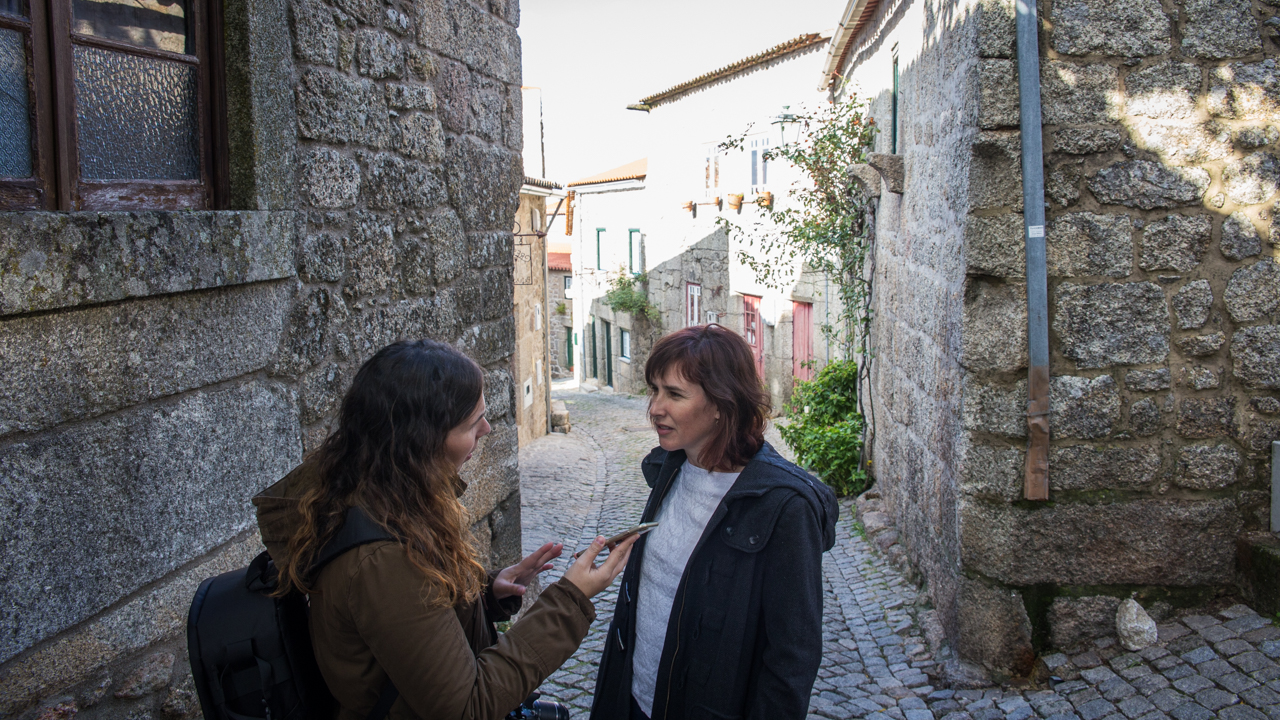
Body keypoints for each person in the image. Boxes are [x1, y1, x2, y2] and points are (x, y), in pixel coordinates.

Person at [253, 339, 636, 720]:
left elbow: (409, 624)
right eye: (472, 423)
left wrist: (486, 593)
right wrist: (570, 599)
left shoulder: (385, 499)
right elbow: (467, 706)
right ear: (421, 442)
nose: (486, 429)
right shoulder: (382, 558)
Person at [590, 324, 839, 720]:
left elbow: (792, 657)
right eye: (654, 389)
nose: (655, 407)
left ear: (723, 404)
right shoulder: (668, 468)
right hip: (634, 699)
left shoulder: (784, 507)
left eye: (674, 394)